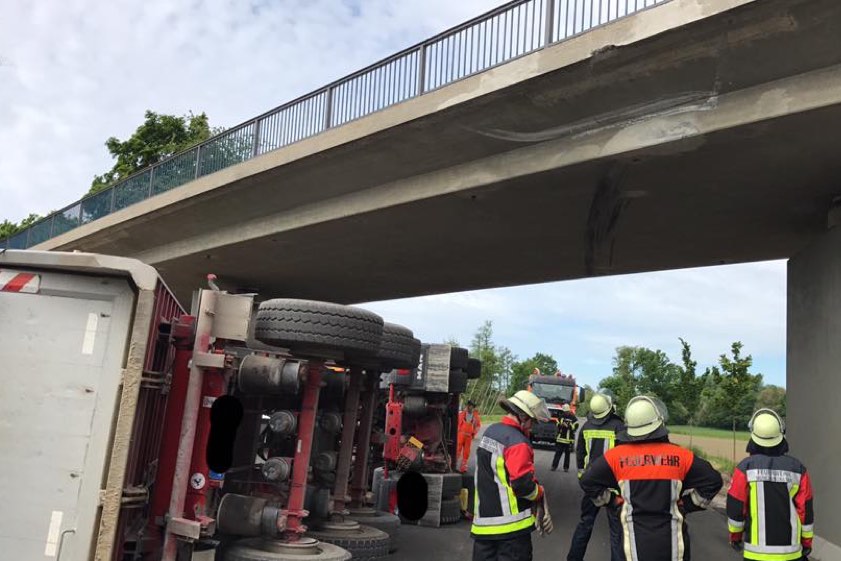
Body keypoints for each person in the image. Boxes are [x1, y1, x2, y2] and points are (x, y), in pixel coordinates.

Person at [580, 396, 723, 561]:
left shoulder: (615, 457)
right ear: (659, 424)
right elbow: (714, 481)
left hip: (632, 551)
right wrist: (687, 504)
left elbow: (587, 482)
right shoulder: (682, 456)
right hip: (674, 551)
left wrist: (612, 501)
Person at [471, 390, 553, 561]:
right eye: (532, 421)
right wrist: (539, 492)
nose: (532, 427)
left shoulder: (491, 432)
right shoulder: (518, 442)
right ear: (523, 416)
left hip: (483, 527)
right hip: (511, 532)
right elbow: (522, 484)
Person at [727, 409, 814, 561]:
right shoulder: (798, 469)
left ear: (753, 437)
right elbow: (805, 511)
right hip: (791, 554)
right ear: (781, 434)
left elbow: (736, 509)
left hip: (756, 554)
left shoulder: (744, 469)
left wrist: (735, 537)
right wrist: (806, 543)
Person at [567, 392, 625, 561]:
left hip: (592, 485)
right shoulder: (619, 427)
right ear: (610, 407)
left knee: (585, 523)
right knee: (616, 531)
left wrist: (583, 478)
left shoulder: (586, 427)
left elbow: (580, 454)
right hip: (614, 487)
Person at [551, 403, 579, 472]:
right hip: (561, 439)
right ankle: (554, 466)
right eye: (565, 411)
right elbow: (557, 423)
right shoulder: (561, 417)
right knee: (558, 453)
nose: (566, 413)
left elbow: (576, 426)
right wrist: (561, 425)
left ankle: (566, 468)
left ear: (569, 411)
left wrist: (569, 426)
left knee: (567, 454)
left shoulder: (573, 418)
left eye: (567, 411)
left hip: (568, 440)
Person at [458, 400, 482, 473]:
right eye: (468, 405)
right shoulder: (461, 414)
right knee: (457, 450)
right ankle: (453, 465)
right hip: (460, 435)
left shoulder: (476, 417)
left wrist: (473, 433)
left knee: (466, 452)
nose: (469, 407)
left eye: (471, 406)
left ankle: (463, 467)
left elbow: (478, 426)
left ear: (473, 407)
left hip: (468, 436)